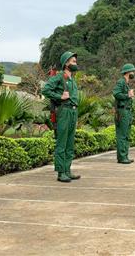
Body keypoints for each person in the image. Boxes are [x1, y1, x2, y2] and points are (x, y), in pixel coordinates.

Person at [42, 51, 80, 182]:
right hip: (63, 112)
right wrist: (60, 97)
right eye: (73, 61)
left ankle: (67, 170)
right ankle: (61, 172)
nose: (75, 63)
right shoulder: (59, 77)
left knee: (70, 143)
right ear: (66, 63)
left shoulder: (72, 79)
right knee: (62, 143)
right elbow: (46, 90)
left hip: (73, 112)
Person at [112, 63, 135, 163]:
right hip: (122, 111)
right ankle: (122, 157)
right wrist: (128, 95)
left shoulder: (126, 83)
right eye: (132, 71)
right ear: (127, 72)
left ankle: (125, 155)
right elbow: (116, 93)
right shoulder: (121, 82)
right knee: (122, 134)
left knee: (126, 134)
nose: (133, 73)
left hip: (127, 110)